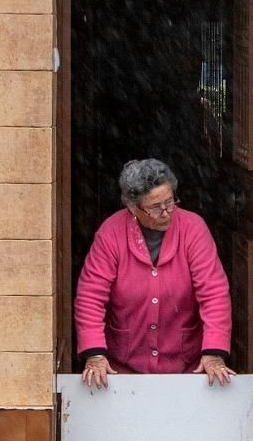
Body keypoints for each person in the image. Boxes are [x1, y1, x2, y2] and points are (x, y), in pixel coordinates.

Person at [75, 158, 235, 389]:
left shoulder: (193, 228)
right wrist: (95, 354)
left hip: (186, 368)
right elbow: (90, 296)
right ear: (132, 207)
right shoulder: (111, 233)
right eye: (155, 207)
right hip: (123, 370)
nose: (166, 212)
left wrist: (214, 352)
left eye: (170, 202)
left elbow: (214, 292)